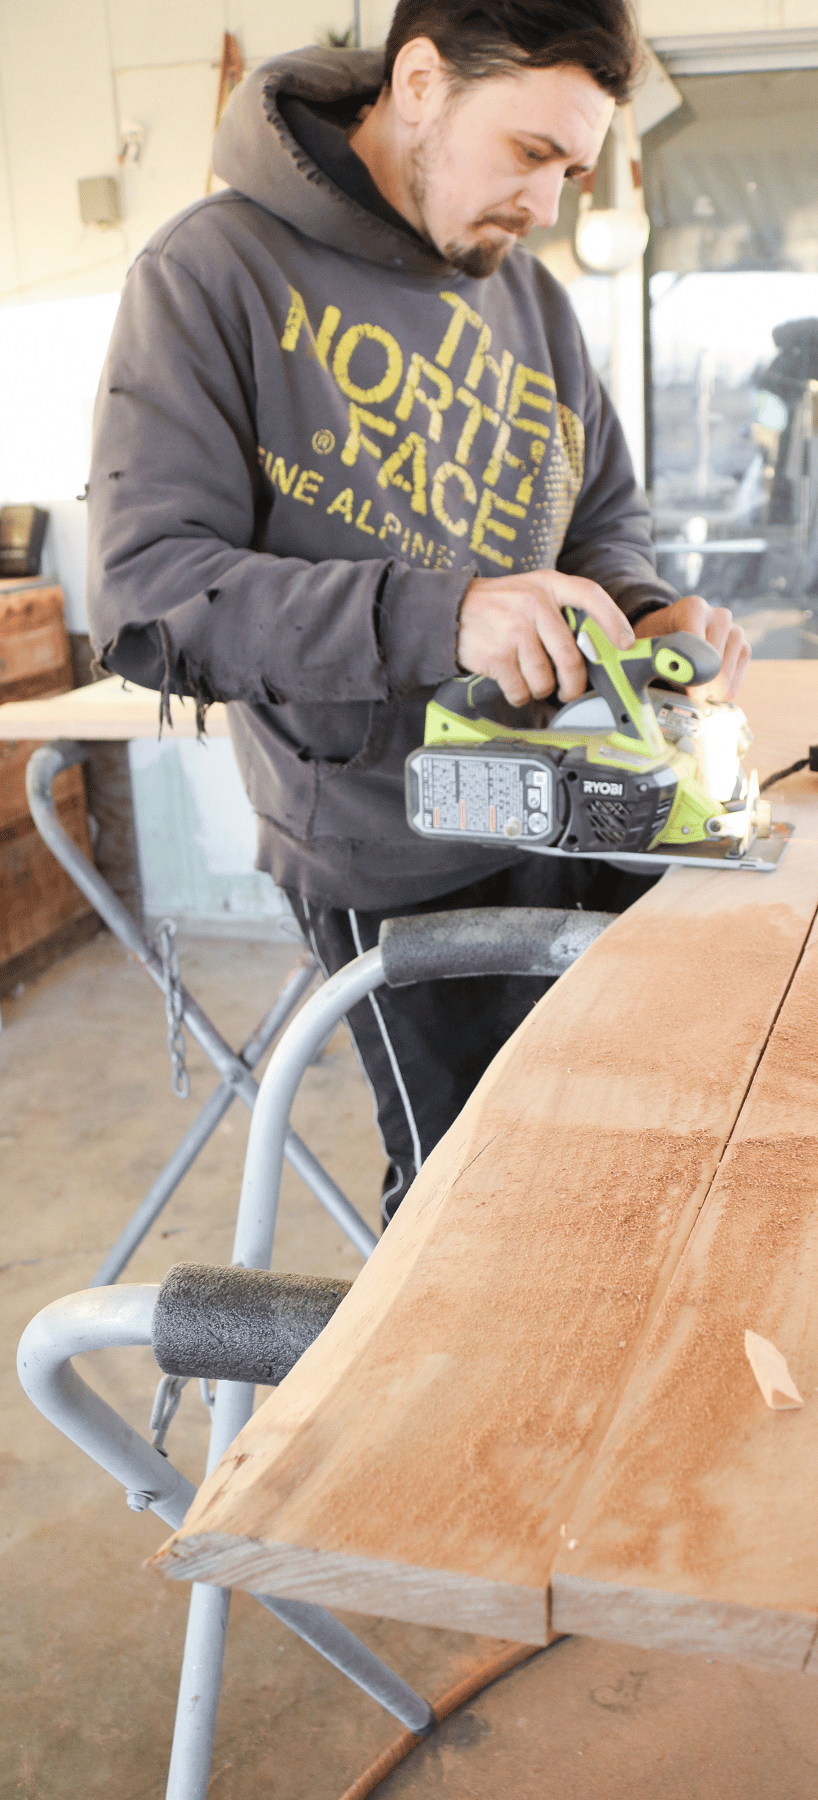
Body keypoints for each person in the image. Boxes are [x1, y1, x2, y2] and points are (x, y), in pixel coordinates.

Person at [86, 0, 749, 1224]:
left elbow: (604, 515)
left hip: (581, 799)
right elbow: (148, 597)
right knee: (474, 1205)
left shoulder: (533, 303)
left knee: (623, 1157)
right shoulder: (209, 275)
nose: (547, 205)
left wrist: (648, 614)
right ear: (422, 84)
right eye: (529, 154)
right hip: (389, 843)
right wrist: (444, 618)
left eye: (573, 172)